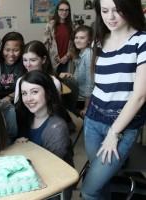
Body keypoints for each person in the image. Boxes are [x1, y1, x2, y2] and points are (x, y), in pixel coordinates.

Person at [81, 0, 146, 199]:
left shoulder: (141, 41)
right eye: (105, 11)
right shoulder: (99, 41)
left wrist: (113, 133)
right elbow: (99, 86)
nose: (110, 17)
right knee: (101, 183)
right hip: (93, 121)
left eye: (117, 10)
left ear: (129, 8)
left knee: (89, 189)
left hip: (122, 127)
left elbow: (140, 96)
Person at [15, 70, 74, 200]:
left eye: (34, 92)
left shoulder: (57, 127)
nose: (28, 98)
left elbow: (49, 171)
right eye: (24, 93)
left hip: (52, 187)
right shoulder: (24, 115)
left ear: (48, 93)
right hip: (29, 178)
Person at [59, 25, 94, 116]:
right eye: (76, 37)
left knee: (56, 102)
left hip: (83, 100)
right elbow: (80, 77)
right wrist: (70, 75)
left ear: (89, 40)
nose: (78, 40)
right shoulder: (82, 53)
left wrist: (86, 108)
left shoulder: (88, 55)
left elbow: (90, 83)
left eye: (82, 38)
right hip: (79, 94)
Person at [0, 31, 26, 103]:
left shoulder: (25, 64)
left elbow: (25, 89)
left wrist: (9, 97)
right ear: (2, 49)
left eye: (16, 50)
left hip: (19, 103)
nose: (11, 54)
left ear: (22, 50)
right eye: (7, 50)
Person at [44, 0, 73, 74]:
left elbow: (74, 44)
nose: (64, 12)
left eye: (66, 10)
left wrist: (67, 56)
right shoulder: (49, 25)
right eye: (61, 10)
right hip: (52, 60)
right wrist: (52, 58)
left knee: (65, 83)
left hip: (66, 60)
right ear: (57, 10)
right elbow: (46, 44)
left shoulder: (73, 26)